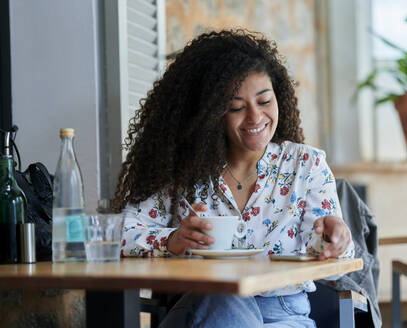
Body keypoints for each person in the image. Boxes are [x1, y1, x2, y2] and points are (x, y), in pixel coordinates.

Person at [111, 29, 354, 328]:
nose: (255, 117)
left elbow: (333, 268)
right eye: (236, 107)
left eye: (264, 101)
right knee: (224, 299)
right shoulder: (184, 170)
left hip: (281, 314)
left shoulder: (305, 165)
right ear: (211, 114)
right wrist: (171, 239)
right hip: (202, 306)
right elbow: (118, 232)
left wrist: (336, 240)